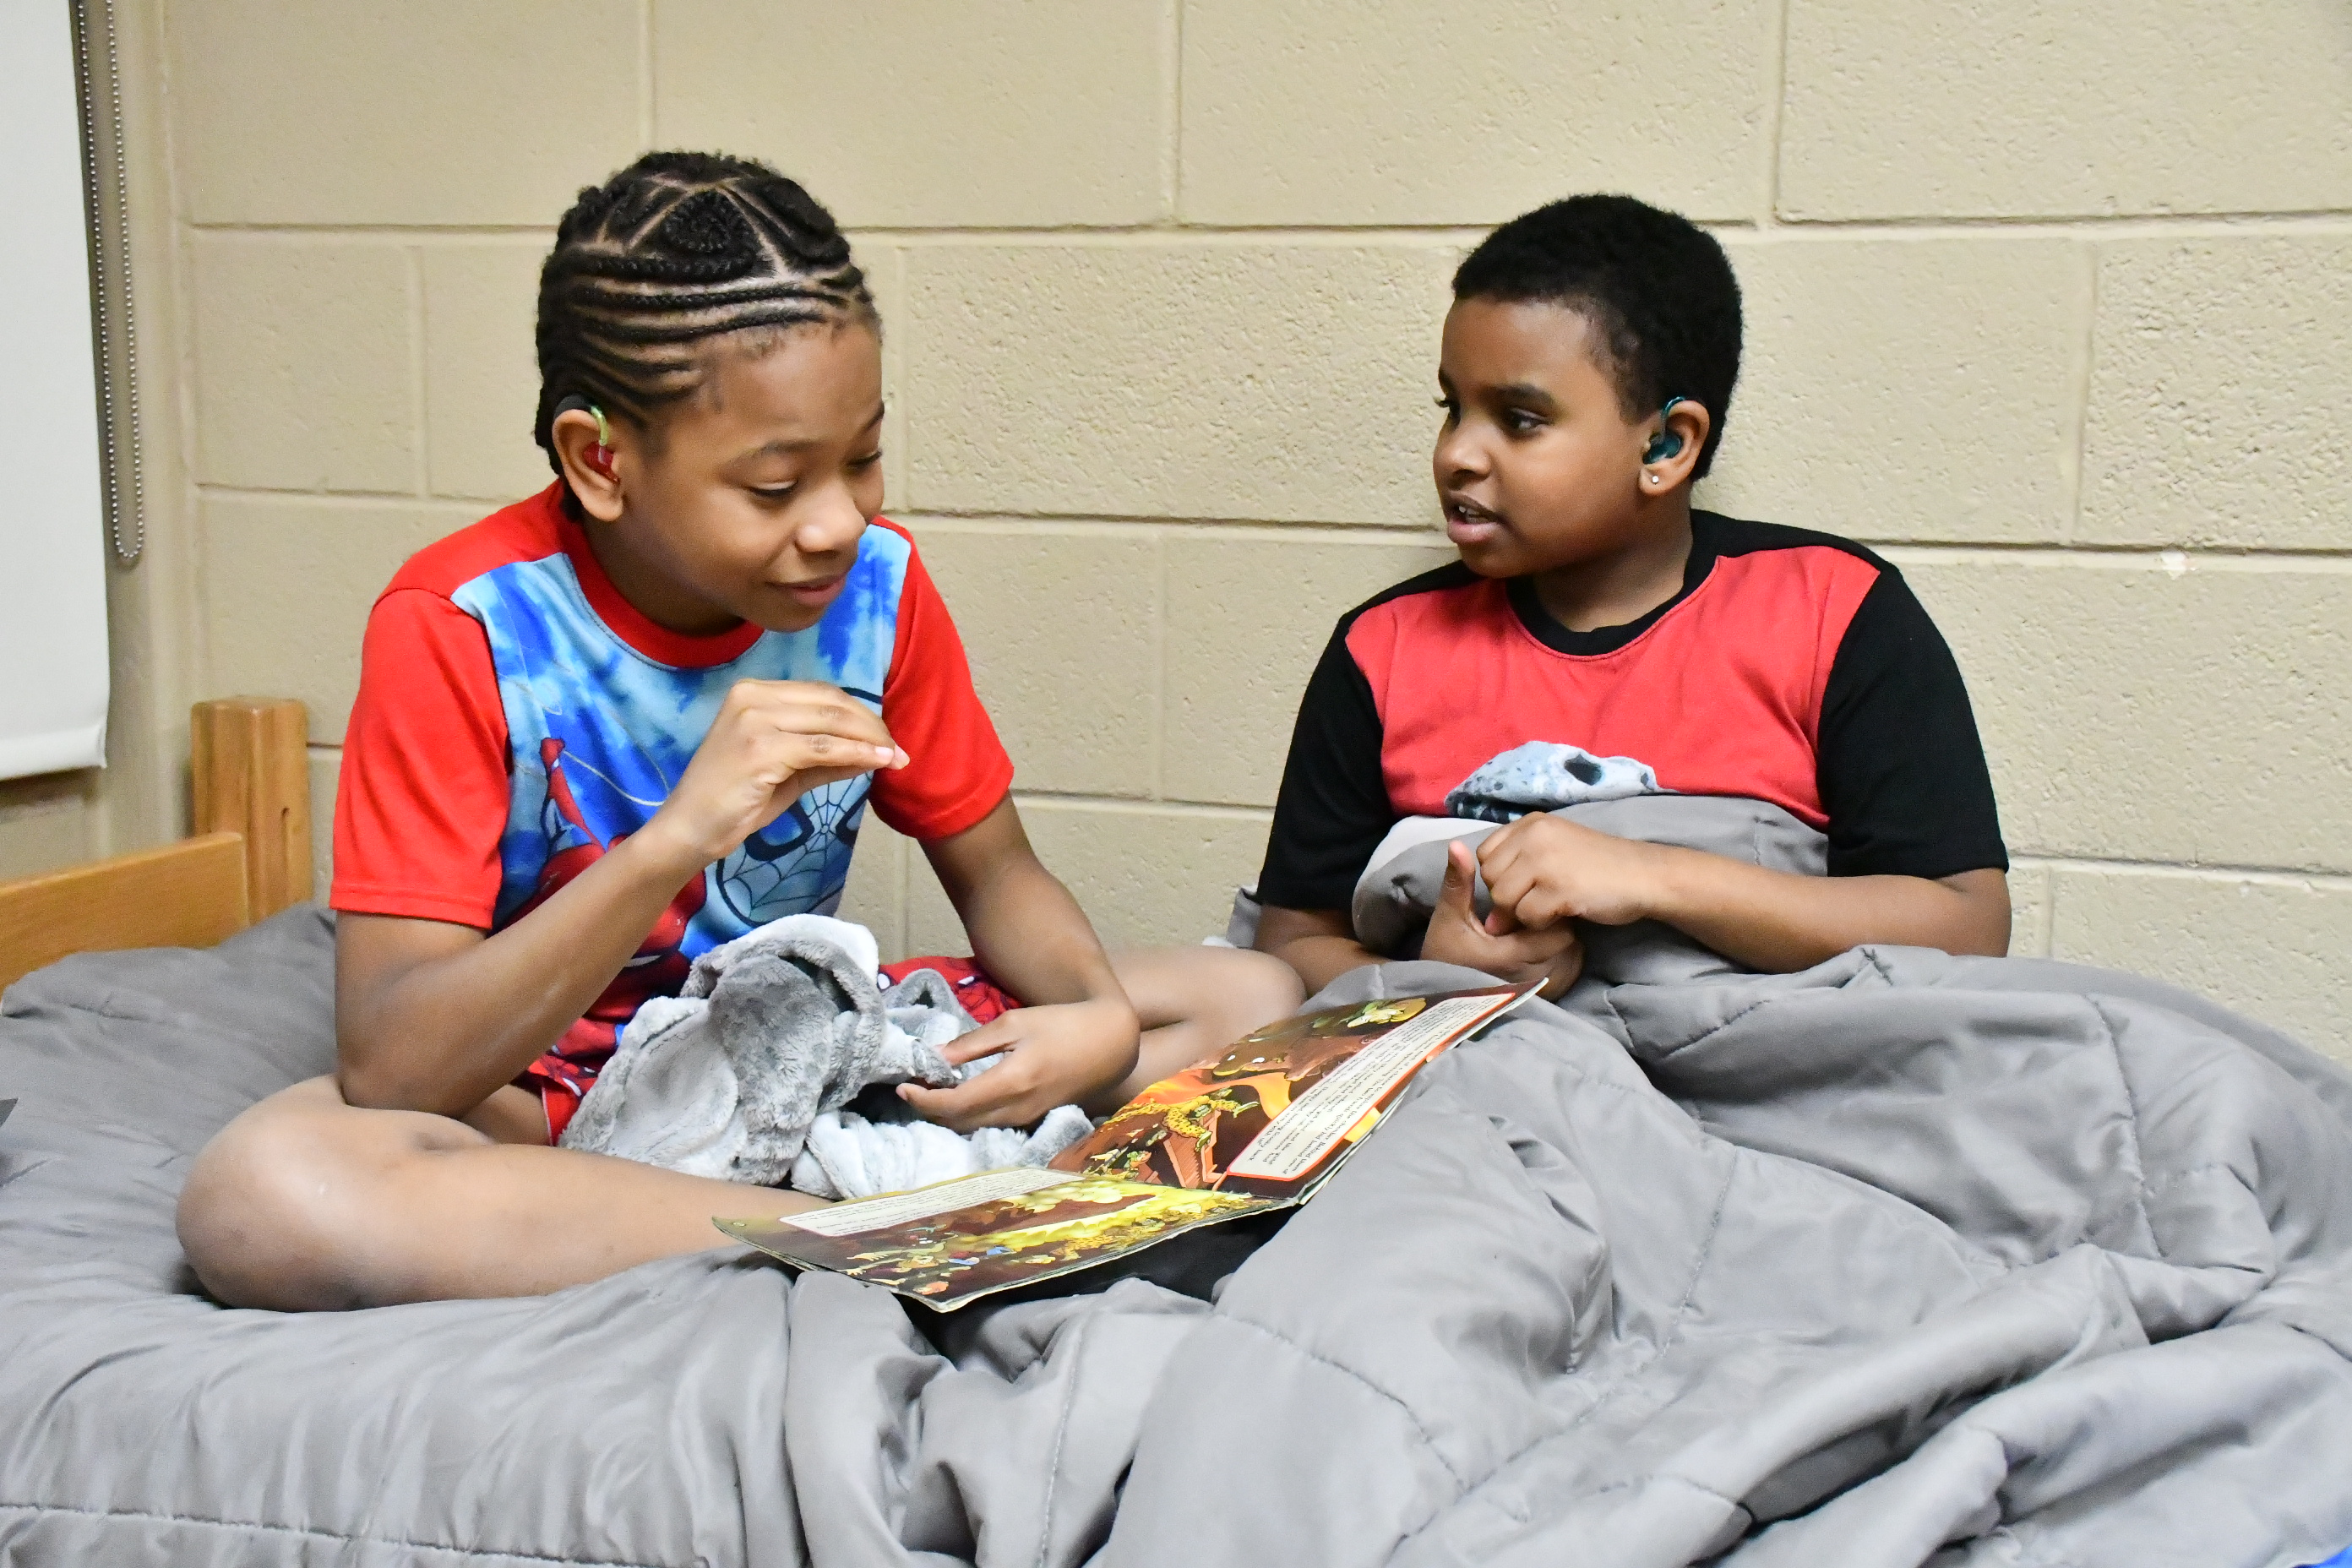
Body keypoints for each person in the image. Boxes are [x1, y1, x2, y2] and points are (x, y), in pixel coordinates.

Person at [177, 153, 1300, 1310]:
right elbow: (394, 1064)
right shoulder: (463, 626)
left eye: (861, 456)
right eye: (775, 487)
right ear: (600, 460)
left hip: (788, 1046)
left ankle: (845, 1214)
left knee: (1253, 999)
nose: (840, 519)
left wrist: (1095, 1020)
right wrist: (677, 838)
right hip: (558, 1091)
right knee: (262, 1199)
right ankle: (875, 1228)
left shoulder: (877, 588)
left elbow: (999, 869)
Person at [1251, 194, 2012, 999]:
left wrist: (1653, 876)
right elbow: (1291, 944)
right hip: (1484, 1077)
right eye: (1452, 409)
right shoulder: (1384, 648)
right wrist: (1434, 978)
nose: (1456, 456)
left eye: (1518, 419)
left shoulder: (1835, 610)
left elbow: (1967, 928)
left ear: (1666, 444)